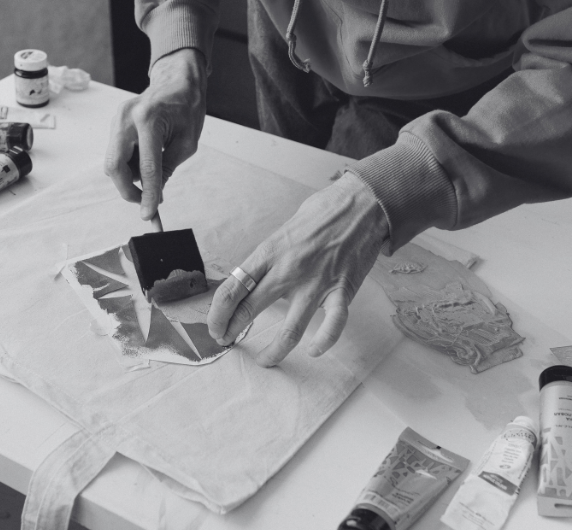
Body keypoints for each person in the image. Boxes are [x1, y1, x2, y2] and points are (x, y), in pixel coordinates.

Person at [104, 0, 572, 367]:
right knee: (290, 229)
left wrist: (392, 189)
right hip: (286, 28)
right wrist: (176, 43)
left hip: (458, 93)